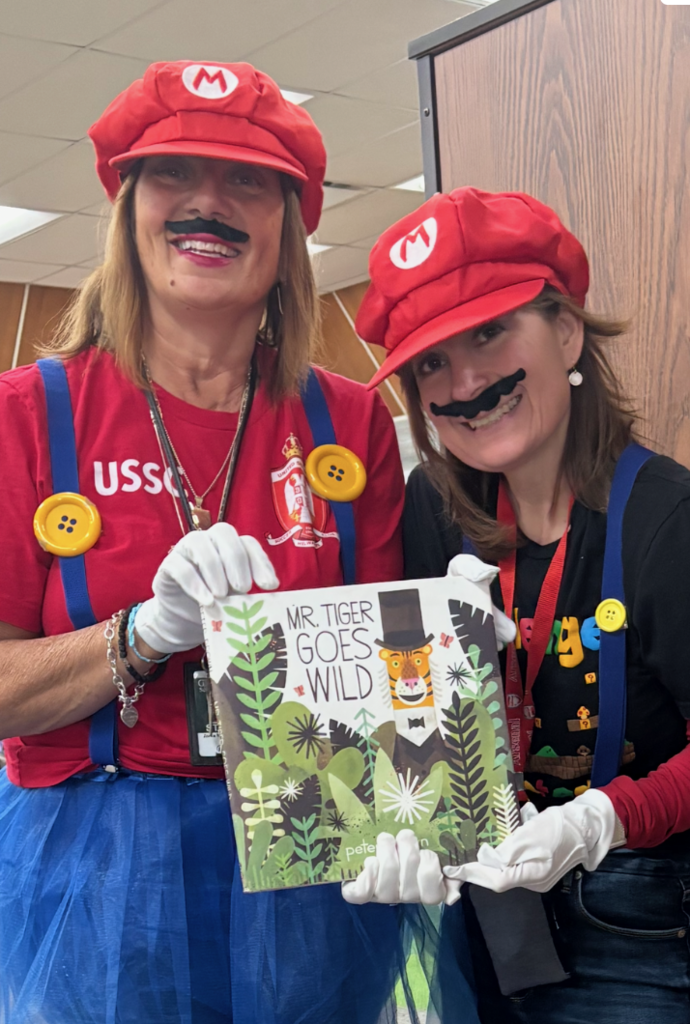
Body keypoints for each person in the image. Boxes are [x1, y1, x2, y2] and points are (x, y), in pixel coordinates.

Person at [0, 60, 411, 1024]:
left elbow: (388, 686)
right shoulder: (25, 416)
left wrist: (450, 687)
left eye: (247, 181)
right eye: (174, 173)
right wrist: (142, 632)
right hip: (95, 870)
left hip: (311, 859)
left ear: (289, 225)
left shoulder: (352, 421)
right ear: (128, 207)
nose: (208, 205)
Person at [343, 186, 690, 1023]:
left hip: (637, 921)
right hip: (487, 922)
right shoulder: (431, 511)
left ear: (566, 331)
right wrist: (392, 819)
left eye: (489, 332)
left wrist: (602, 818)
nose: (464, 382)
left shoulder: (664, 519)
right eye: (431, 362)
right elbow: (402, 724)